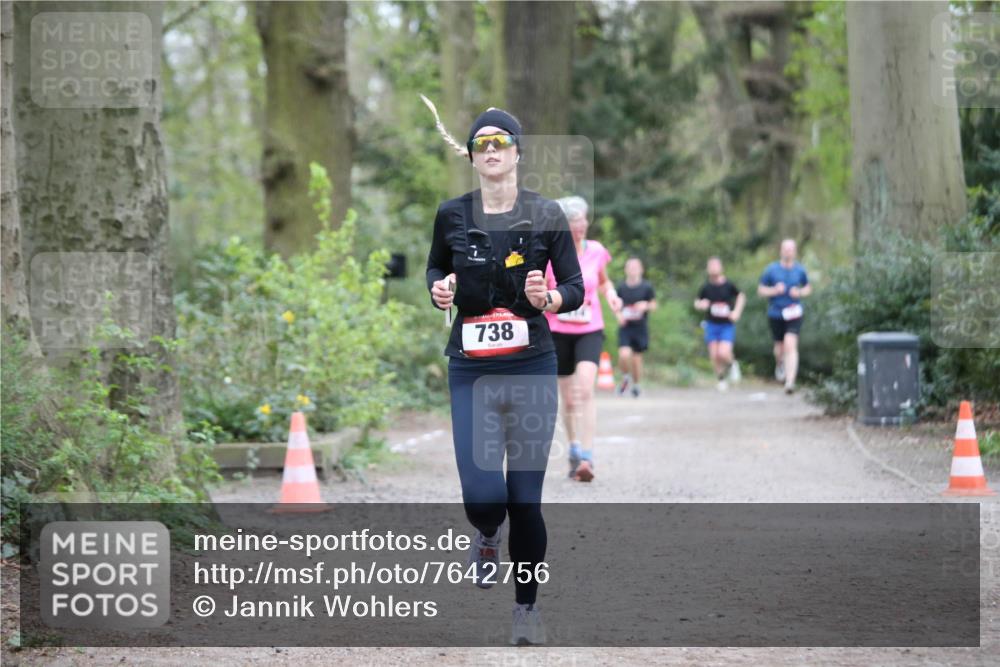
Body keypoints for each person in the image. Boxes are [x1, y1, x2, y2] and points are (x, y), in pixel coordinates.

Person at [425, 104, 584, 645]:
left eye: (501, 141)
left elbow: (575, 287)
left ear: (518, 152)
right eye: (481, 144)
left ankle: (526, 610)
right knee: (484, 498)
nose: (491, 150)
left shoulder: (546, 214)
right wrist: (439, 288)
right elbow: (435, 266)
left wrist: (550, 298)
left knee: (526, 500)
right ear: (471, 157)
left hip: (532, 365)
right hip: (471, 369)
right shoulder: (451, 214)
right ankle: (487, 533)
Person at [543, 196, 620, 482]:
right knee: (569, 399)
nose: (580, 226)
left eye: (583, 220)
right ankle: (574, 448)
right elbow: (542, 291)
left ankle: (587, 457)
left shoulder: (596, 251)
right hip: (558, 330)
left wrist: (611, 295)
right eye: (574, 222)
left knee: (585, 389)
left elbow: (603, 280)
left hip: (589, 328)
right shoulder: (550, 255)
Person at [757, 239, 812, 394]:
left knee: (790, 344)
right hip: (775, 313)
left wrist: (799, 292)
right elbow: (761, 290)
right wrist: (774, 290)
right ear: (781, 251)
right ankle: (780, 363)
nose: (788, 252)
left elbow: (808, 288)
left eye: (791, 249)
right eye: (785, 249)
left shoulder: (800, 270)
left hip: (794, 313)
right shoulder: (771, 269)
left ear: (795, 252)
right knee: (779, 348)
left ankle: (790, 382)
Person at [694, 257, 745, 391]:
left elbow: (741, 296)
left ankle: (732, 364)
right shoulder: (706, 287)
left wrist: (736, 312)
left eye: (715, 266)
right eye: (711, 266)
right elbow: (697, 301)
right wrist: (701, 304)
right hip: (711, 324)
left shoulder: (728, 285)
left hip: (726, 325)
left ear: (721, 268)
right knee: (714, 354)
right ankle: (721, 379)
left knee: (723, 352)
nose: (713, 269)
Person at [615, 257, 656, 397]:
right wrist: (618, 316)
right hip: (626, 327)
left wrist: (646, 305)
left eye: (635, 267)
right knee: (624, 355)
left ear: (641, 270)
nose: (633, 270)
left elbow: (654, 305)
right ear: (626, 270)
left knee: (636, 360)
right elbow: (616, 305)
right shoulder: (621, 287)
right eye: (630, 267)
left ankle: (637, 385)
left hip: (640, 328)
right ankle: (626, 378)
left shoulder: (646, 287)